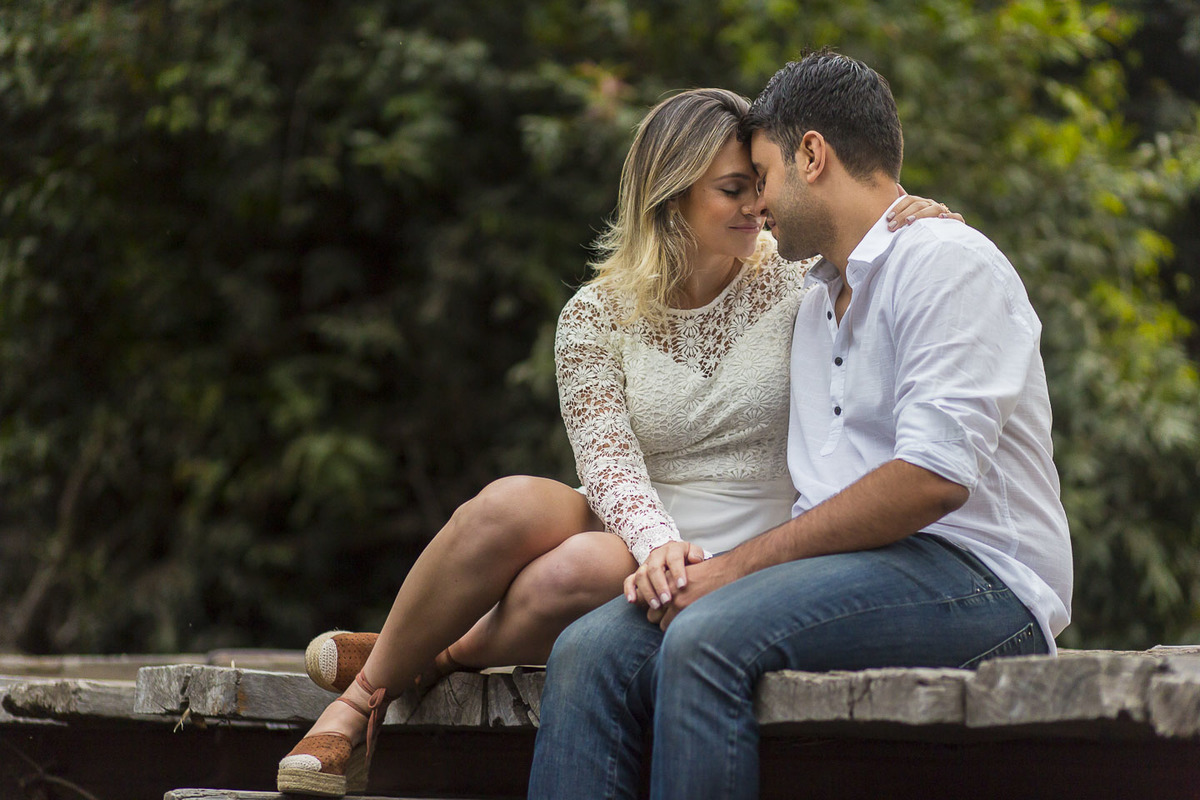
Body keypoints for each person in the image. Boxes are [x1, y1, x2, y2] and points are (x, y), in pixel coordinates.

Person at [275, 87, 955, 797]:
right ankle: (359, 705)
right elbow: (606, 460)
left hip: (748, 535)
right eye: (734, 189)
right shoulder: (593, 315)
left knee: (579, 569)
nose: (760, 205)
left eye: (761, 185)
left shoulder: (797, 284)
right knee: (507, 505)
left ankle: (425, 652)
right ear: (670, 196)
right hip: (638, 514)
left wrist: (911, 220)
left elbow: (869, 247)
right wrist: (656, 539)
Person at [527, 51, 1074, 800]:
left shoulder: (946, 263)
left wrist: (730, 571)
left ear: (811, 155)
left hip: (979, 583)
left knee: (707, 635)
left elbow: (932, 481)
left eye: (763, 175)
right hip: (836, 574)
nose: (757, 203)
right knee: (590, 649)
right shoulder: (809, 295)